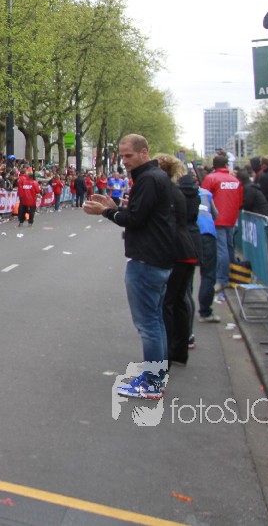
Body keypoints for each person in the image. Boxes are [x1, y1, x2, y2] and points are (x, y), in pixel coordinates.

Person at [83, 134, 178, 400]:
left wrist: (105, 212)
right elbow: (141, 214)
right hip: (158, 257)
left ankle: (152, 382)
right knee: (155, 321)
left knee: (148, 324)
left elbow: (135, 219)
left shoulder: (148, 179)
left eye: (129, 156)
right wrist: (115, 208)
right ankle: (156, 377)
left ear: (144, 152)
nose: (124, 161)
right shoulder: (156, 177)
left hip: (147, 259)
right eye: (122, 155)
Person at [155, 154, 199, 366]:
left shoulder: (166, 192)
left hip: (174, 250)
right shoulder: (181, 191)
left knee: (167, 304)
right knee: (180, 301)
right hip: (187, 248)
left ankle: (167, 354)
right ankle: (180, 350)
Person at [201, 155, 243, 296]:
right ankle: (231, 276)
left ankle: (222, 280)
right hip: (231, 219)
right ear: (226, 165)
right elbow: (240, 201)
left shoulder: (211, 179)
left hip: (216, 219)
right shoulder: (235, 180)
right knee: (229, 247)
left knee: (222, 250)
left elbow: (203, 198)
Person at [196, 183, 221, 323]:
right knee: (208, 274)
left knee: (185, 273)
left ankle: (184, 311)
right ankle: (205, 312)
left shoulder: (176, 191)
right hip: (207, 233)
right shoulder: (206, 193)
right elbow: (215, 214)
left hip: (189, 233)